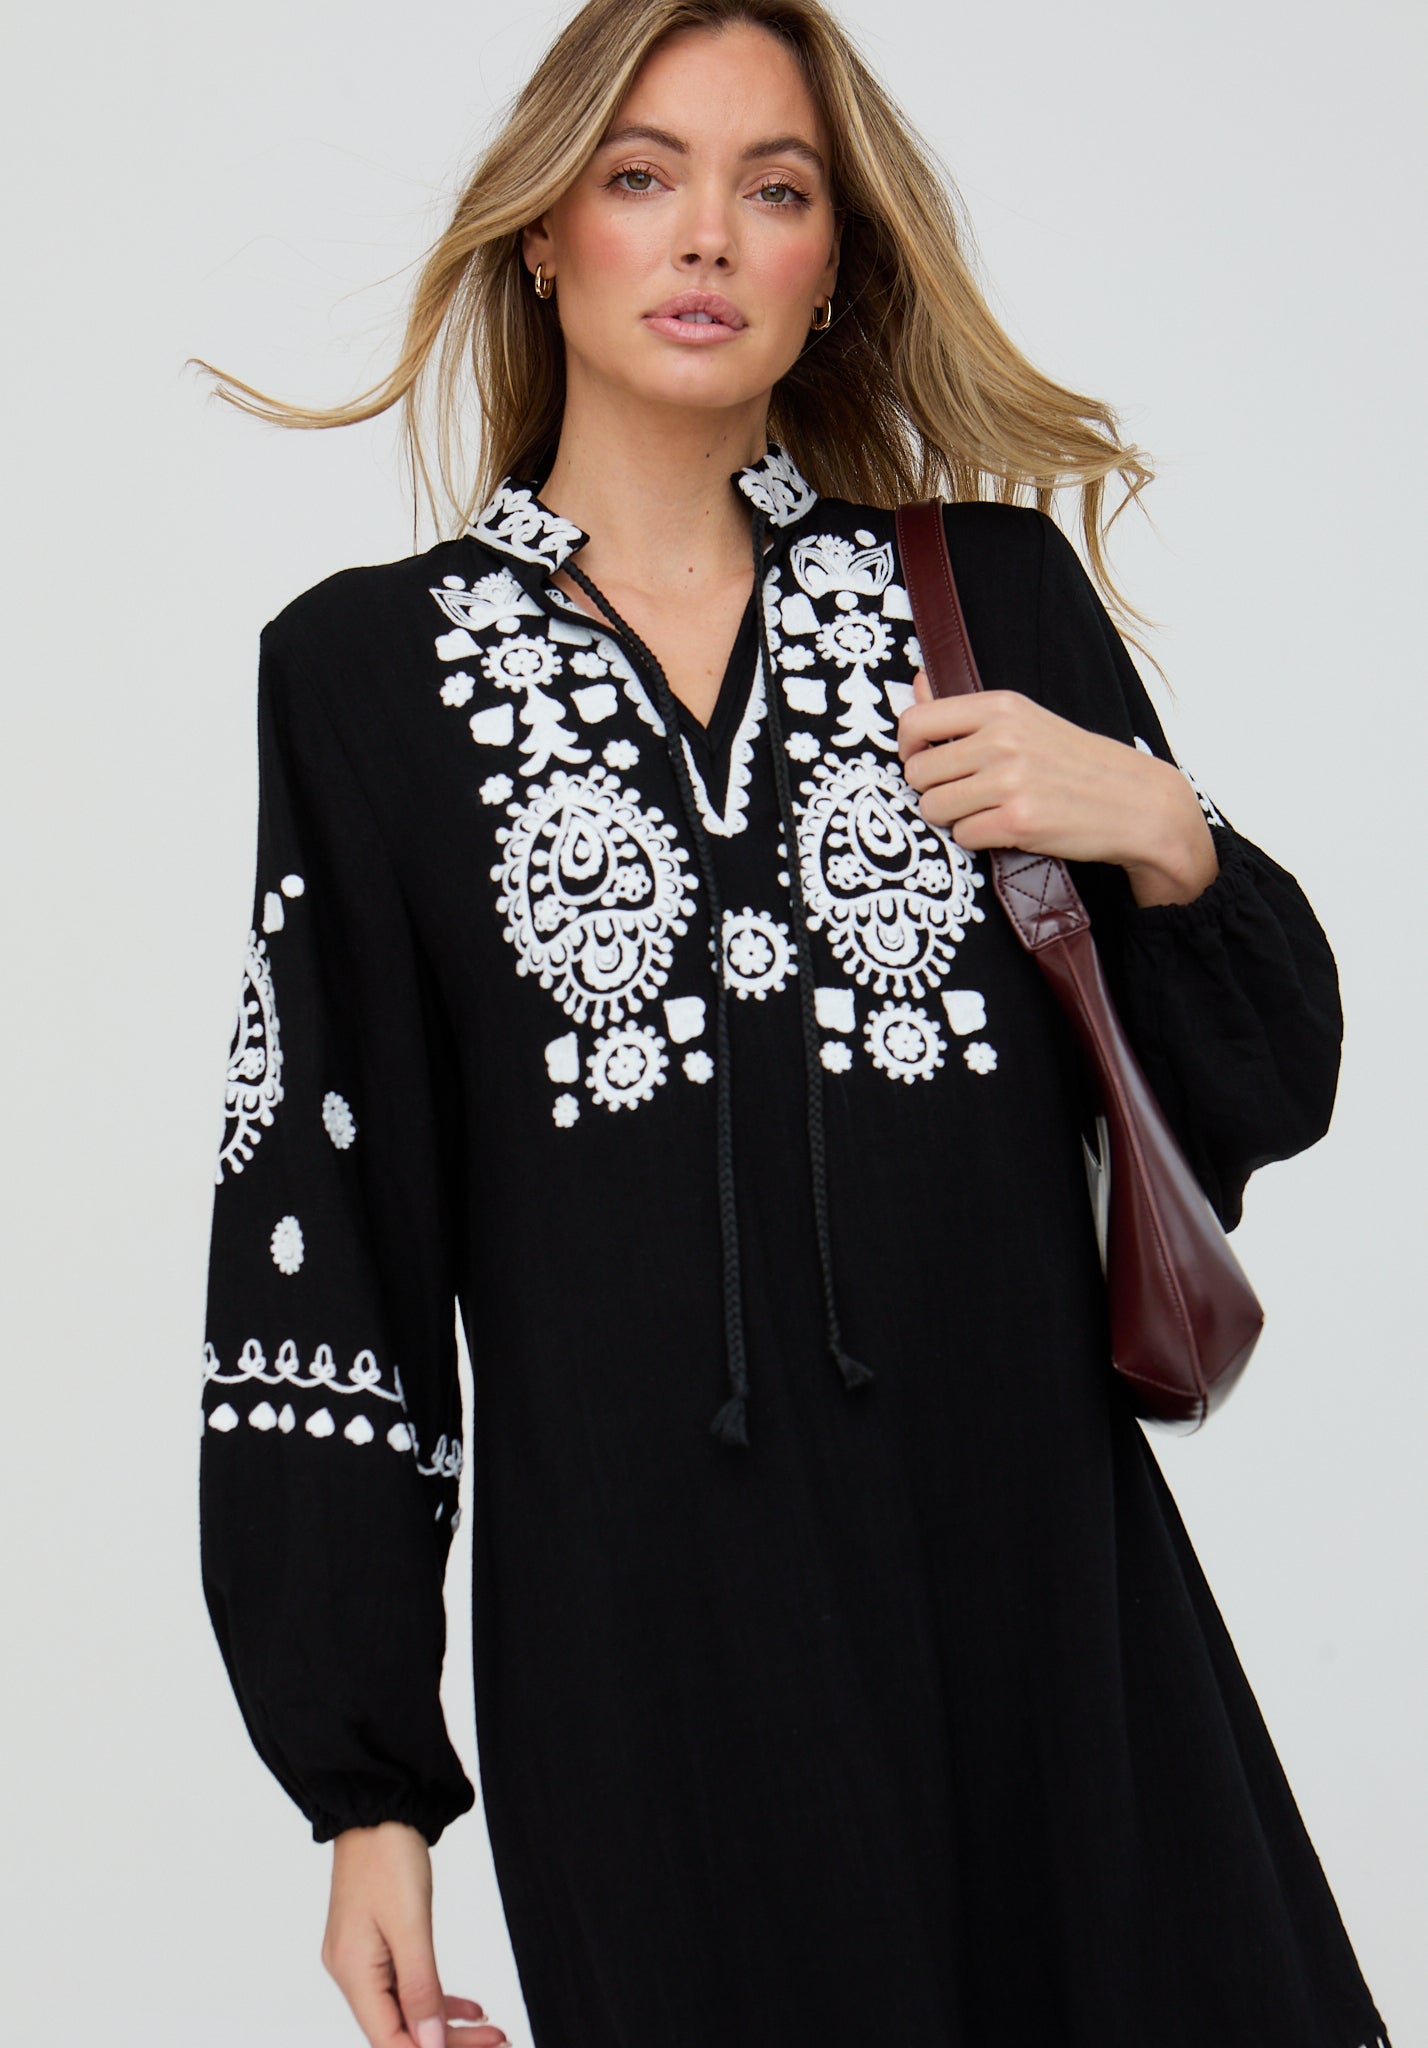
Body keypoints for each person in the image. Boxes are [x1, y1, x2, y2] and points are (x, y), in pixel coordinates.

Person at [194, 3, 1393, 2045]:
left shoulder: (986, 602)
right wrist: (367, 1791)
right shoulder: (366, 682)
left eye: (777, 189)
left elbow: (1259, 1089)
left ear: (833, 270)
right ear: (544, 237)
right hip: (648, 1672)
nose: (708, 238)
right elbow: (328, 1234)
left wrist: (1164, 829)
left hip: (1047, 1622)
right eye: (644, 175)